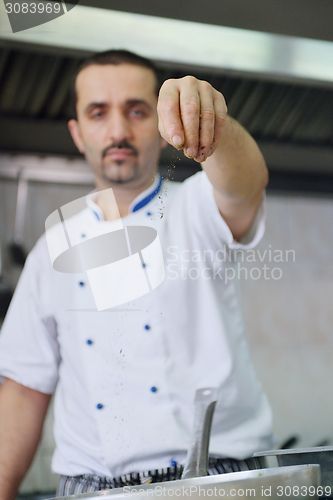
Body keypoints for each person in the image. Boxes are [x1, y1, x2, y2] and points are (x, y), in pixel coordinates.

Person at [0, 50, 273, 500]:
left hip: (221, 481)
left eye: (137, 110)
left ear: (164, 124)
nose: (119, 131)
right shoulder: (51, 250)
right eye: (98, 112)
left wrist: (212, 125)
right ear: (78, 132)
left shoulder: (198, 208)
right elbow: (25, 390)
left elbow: (246, 183)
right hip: (93, 490)